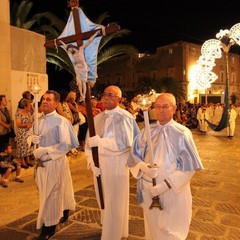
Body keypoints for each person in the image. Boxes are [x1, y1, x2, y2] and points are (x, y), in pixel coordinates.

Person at [129, 93, 203, 240]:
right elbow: (133, 158)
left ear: (174, 108)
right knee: (152, 230)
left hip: (172, 194)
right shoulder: (146, 131)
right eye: (158, 107)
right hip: (149, 191)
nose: (161, 110)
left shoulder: (182, 133)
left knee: (170, 232)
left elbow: (189, 168)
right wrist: (143, 167)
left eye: (165, 106)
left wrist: (165, 185)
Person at [85, 85, 140, 240]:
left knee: (115, 201)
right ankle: (109, 229)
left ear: (119, 99)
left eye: (111, 95)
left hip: (116, 164)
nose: (106, 97)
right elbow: (88, 145)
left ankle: (112, 235)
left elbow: (123, 145)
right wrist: (91, 162)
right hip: (99, 165)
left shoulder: (126, 117)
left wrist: (101, 143)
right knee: (103, 200)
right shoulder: (97, 118)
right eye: (105, 94)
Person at [28, 90, 79, 240]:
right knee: (47, 192)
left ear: (56, 104)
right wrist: (32, 140)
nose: (45, 101)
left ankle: (49, 228)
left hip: (54, 162)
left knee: (52, 193)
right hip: (40, 164)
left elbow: (66, 145)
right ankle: (63, 210)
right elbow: (30, 135)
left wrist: (45, 150)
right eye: (44, 99)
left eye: (49, 100)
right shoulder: (38, 119)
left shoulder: (61, 121)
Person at [60, 30, 100, 101]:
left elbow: (89, 41)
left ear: (72, 47)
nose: (69, 51)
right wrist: (62, 43)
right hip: (78, 69)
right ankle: (81, 95)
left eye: (70, 49)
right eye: (69, 50)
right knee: (79, 83)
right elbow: (66, 48)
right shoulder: (72, 53)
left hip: (83, 68)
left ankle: (83, 95)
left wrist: (96, 34)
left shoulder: (80, 49)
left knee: (84, 82)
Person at [15, 99, 33, 168]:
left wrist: (30, 124)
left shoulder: (29, 113)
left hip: (28, 132)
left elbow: (31, 121)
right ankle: (23, 161)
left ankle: (28, 160)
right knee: (22, 146)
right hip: (22, 133)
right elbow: (18, 124)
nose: (30, 107)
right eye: (29, 106)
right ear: (25, 106)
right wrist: (26, 125)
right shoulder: (18, 113)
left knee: (28, 145)